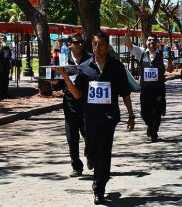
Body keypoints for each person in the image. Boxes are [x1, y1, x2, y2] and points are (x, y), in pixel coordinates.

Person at [57, 30, 135, 205]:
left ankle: (98, 188)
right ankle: (90, 156)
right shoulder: (85, 68)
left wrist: (131, 115)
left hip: (109, 117)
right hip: (90, 118)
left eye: (100, 44)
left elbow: (125, 93)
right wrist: (66, 79)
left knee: (104, 153)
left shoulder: (116, 67)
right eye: (94, 44)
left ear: (107, 47)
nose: (97, 47)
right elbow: (77, 95)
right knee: (92, 151)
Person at [49, 33, 91, 177]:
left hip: (87, 103)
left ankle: (90, 154)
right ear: (70, 45)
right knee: (72, 136)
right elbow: (59, 84)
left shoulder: (90, 59)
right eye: (76, 42)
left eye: (81, 42)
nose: (80, 44)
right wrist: (54, 82)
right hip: (70, 103)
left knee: (89, 134)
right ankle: (76, 166)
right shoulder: (64, 62)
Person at [125, 29, 173, 142]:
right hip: (146, 89)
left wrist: (170, 62)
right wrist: (127, 36)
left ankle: (154, 132)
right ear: (146, 42)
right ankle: (150, 126)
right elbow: (130, 46)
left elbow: (170, 70)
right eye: (149, 40)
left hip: (158, 89)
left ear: (156, 43)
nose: (151, 42)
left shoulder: (162, 56)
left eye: (153, 40)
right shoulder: (141, 52)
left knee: (156, 112)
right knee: (144, 113)